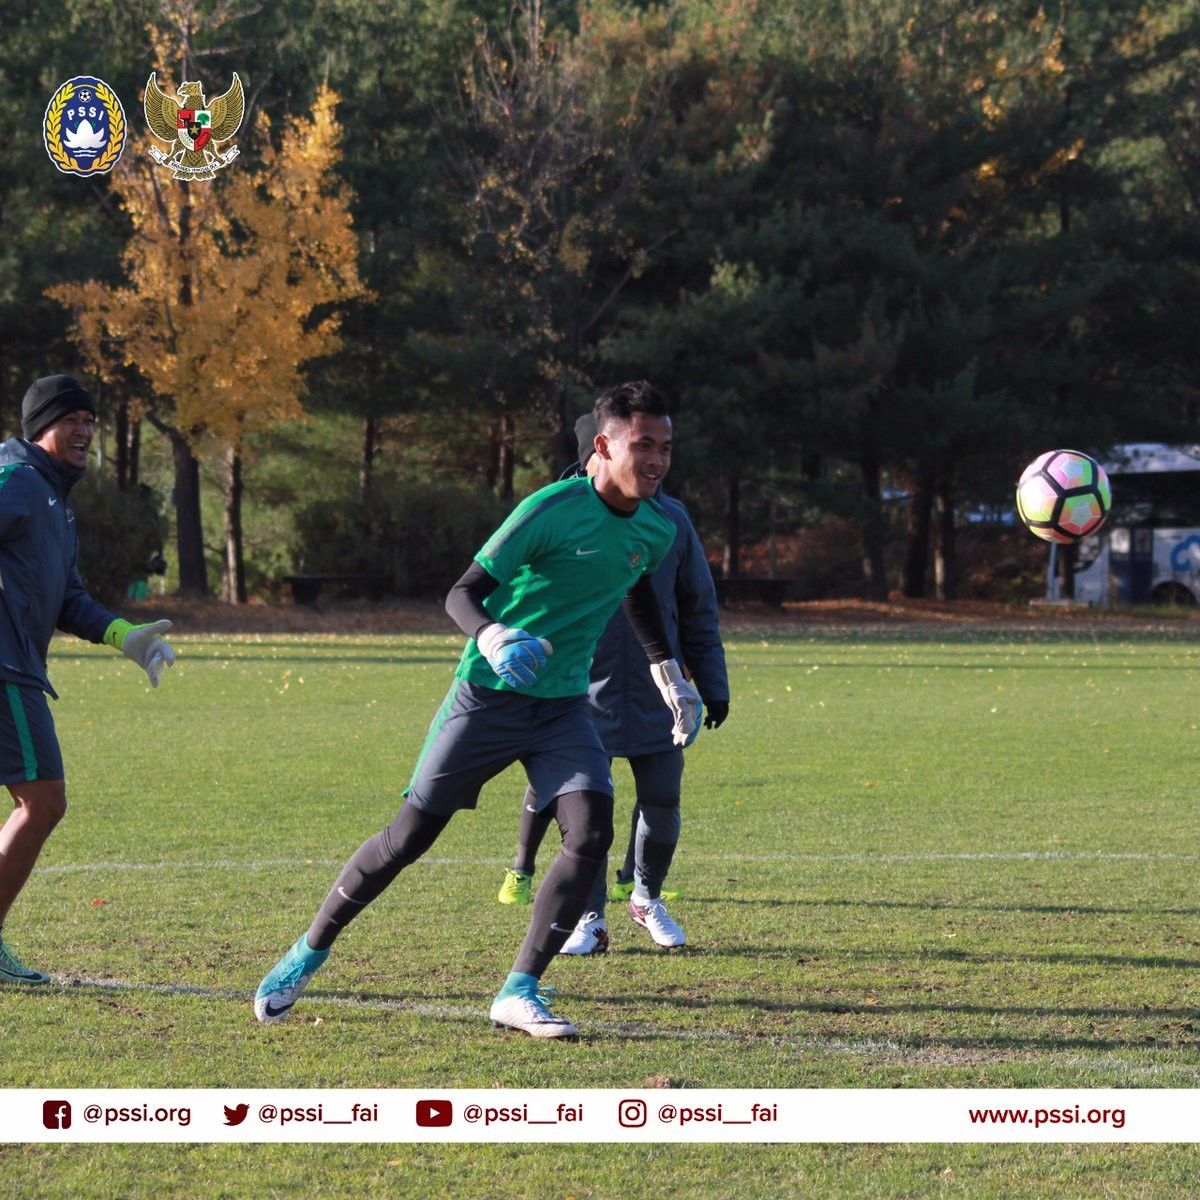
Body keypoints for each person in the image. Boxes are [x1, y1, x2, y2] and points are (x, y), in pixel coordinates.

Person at [254, 381, 702, 1038]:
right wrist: (493, 638)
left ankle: (520, 990)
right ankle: (308, 950)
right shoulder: (549, 509)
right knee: (409, 838)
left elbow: (630, 585)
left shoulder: (659, 526)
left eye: (666, 447)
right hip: (487, 699)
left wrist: (669, 672)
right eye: (644, 446)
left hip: (562, 709)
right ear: (603, 446)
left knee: (591, 831)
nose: (658, 460)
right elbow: (462, 593)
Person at [497, 413, 729, 954]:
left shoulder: (671, 518)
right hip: (577, 689)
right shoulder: (557, 513)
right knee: (587, 809)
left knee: (663, 799)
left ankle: (646, 897)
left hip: (660, 690)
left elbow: (697, 603)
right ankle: (589, 917)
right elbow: (522, 595)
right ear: (598, 452)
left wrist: (712, 682)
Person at [0, 375, 176, 985]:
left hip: (17, 667)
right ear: (40, 425)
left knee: (41, 803)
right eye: (71, 419)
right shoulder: (15, 479)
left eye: (91, 421)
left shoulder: (55, 500)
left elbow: (70, 598)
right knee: (43, 801)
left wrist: (126, 636)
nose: (85, 431)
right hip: (4, 670)